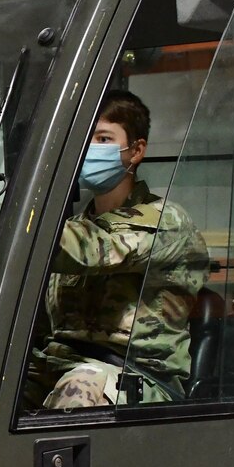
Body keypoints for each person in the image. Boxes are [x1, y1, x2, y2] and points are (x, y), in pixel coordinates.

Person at [23, 89, 210, 410]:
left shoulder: (167, 222)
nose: (89, 148)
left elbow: (90, 248)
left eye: (104, 138)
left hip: (140, 379)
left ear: (135, 151)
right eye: (84, 138)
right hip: (61, 365)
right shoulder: (75, 227)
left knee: (80, 390)